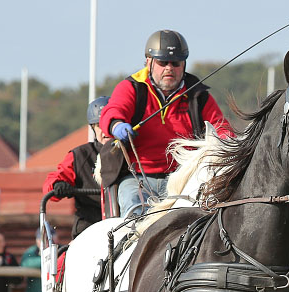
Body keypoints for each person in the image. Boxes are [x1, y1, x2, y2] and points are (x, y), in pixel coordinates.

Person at [99, 29, 232, 215]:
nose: (169, 68)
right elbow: (112, 112)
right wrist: (117, 125)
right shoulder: (131, 87)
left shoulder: (198, 95)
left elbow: (222, 128)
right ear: (149, 62)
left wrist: (229, 142)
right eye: (163, 62)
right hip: (137, 176)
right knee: (134, 209)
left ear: (184, 64)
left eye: (176, 62)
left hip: (183, 177)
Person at [43, 97, 109, 239]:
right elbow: (50, 185)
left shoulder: (132, 154)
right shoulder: (80, 156)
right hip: (88, 231)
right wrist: (58, 186)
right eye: (99, 125)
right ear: (93, 128)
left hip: (125, 228)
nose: (105, 131)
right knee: (63, 261)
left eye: (109, 124)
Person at [20, 223, 56, 292]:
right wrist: (49, 259)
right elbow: (25, 263)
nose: (45, 241)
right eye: (41, 239)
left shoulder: (59, 249)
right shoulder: (31, 252)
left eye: (48, 238)